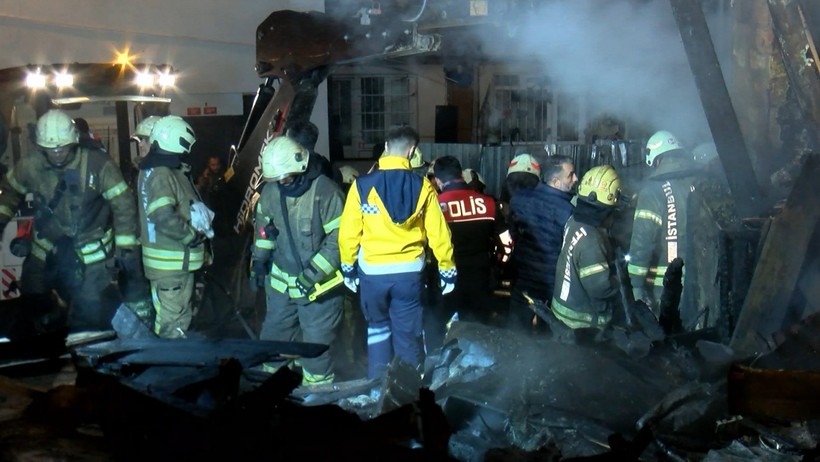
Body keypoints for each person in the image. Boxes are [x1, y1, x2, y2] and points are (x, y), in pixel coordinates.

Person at [0, 109, 140, 332]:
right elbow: (9, 191)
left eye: (62, 147)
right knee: (34, 293)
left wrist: (126, 249)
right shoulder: (31, 165)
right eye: (50, 149)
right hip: (46, 244)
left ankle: (86, 349)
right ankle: (49, 335)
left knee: (91, 307)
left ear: (74, 141)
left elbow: (123, 205)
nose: (57, 153)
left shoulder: (98, 164)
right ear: (41, 147)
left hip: (92, 249)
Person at [338, 125, 456, 379]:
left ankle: (377, 391)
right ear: (412, 150)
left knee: (378, 330)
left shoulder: (361, 186)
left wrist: (347, 267)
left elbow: (348, 233)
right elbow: (439, 234)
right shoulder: (424, 188)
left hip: (372, 274)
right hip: (409, 276)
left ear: (386, 147)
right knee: (407, 336)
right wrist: (447, 269)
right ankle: (409, 396)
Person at [249, 135, 345, 385]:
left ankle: (318, 398)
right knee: (272, 343)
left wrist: (312, 274)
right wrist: (259, 262)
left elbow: (339, 240)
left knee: (315, 348)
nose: (283, 184)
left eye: (287, 178)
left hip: (319, 290)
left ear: (301, 165)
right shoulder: (270, 193)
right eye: (278, 180)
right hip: (282, 288)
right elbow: (263, 230)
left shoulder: (325, 192)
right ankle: (268, 394)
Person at [137, 115, 211, 339]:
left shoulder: (162, 171)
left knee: (177, 320)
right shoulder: (161, 174)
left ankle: (172, 364)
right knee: (172, 324)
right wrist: (191, 236)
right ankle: (167, 367)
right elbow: (163, 216)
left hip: (175, 265)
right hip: (171, 266)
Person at [628, 130, 701, 329]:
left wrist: (636, 287)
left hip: (663, 289)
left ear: (655, 160)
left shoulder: (652, 192)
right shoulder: (699, 183)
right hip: (701, 282)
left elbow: (642, 244)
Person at [508, 155, 578, 333]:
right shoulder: (568, 211)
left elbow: (513, 233)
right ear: (555, 181)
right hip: (550, 284)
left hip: (521, 278)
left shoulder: (518, 200)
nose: (576, 179)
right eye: (571, 175)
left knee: (517, 332)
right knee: (547, 335)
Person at [431, 156, 498, 337]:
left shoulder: (435, 206)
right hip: (480, 276)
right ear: (461, 174)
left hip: (447, 278)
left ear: (437, 180)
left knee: (442, 329)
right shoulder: (489, 203)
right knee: (479, 330)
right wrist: (498, 268)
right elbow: (506, 243)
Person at [551, 165, 622, 332]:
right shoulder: (592, 239)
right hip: (582, 325)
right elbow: (600, 288)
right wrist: (621, 280)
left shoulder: (574, 221)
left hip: (562, 311)